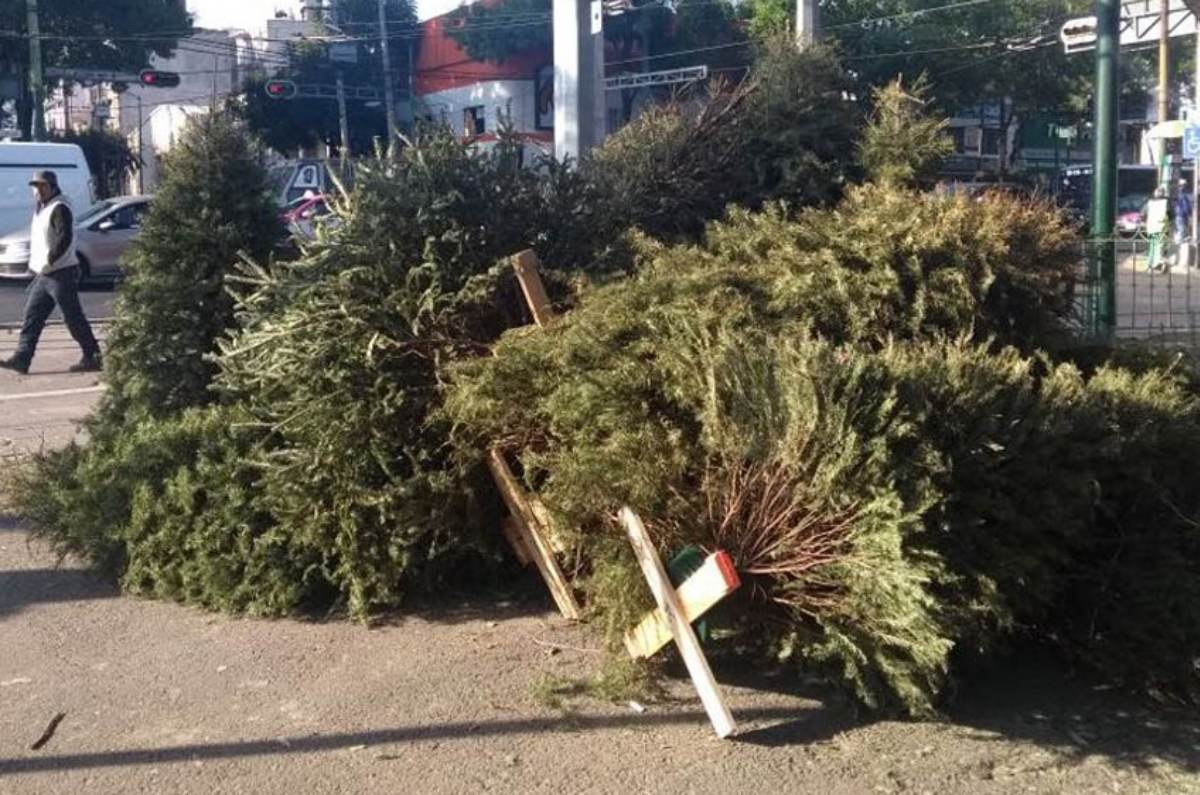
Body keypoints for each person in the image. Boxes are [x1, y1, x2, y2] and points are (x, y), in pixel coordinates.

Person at [0, 171, 101, 375]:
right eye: (35, 187)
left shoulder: (59, 208)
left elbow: (64, 238)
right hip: (45, 274)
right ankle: (22, 358)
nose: (37, 191)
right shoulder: (42, 208)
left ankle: (92, 355)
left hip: (61, 272)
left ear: (52, 187)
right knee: (32, 316)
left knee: (72, 318)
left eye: (42, 186)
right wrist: (37, 264)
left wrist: (50, 259)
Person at [1175, 179, 1193, 245]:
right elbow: (1185, 206)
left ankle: (1181, 240)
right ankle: (1178, 241)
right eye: (1181, 185)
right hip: (1181, 215)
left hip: (1181, 215)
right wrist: (1189, 214)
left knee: (1182, 228)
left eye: (1183, 185)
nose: (1182, 187)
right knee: (1181, 228)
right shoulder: (1182, 195)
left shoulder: (1183, 194)